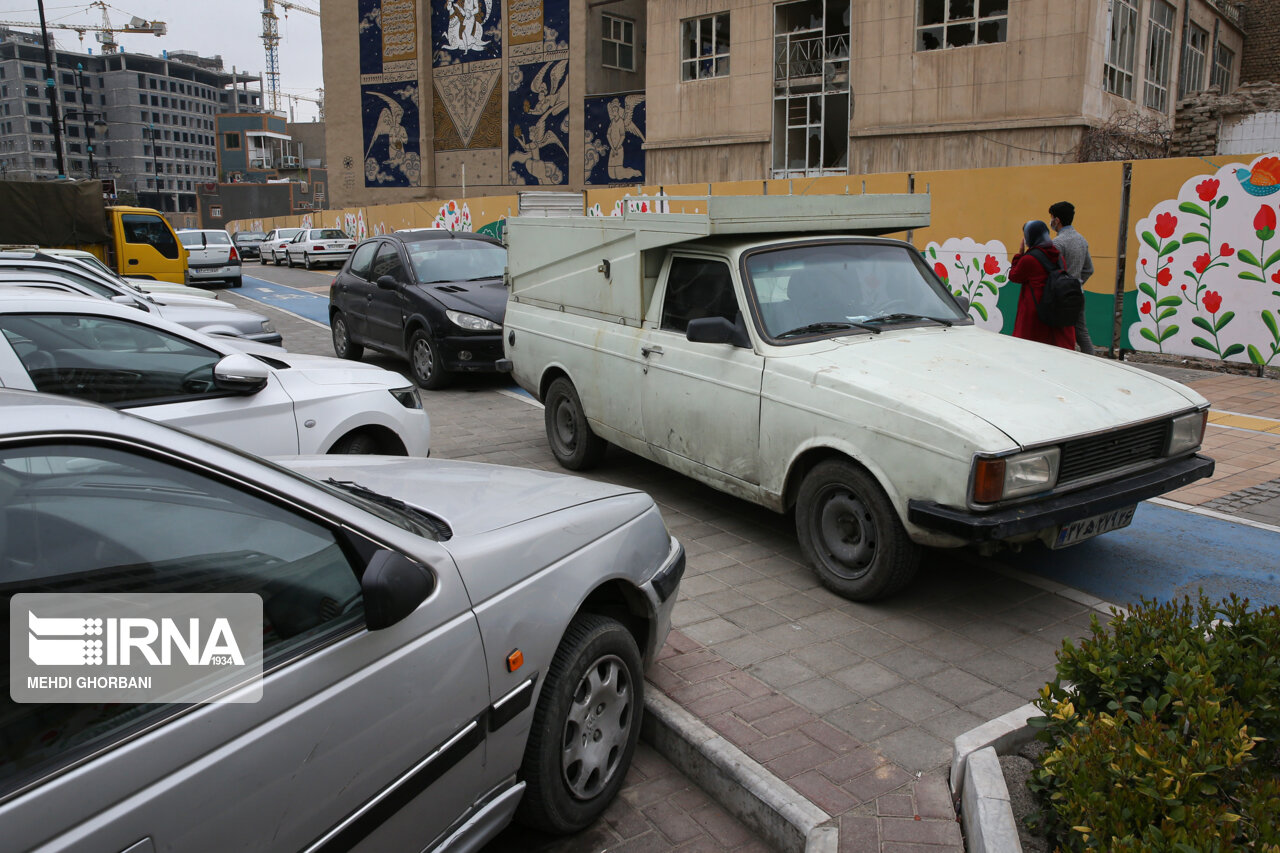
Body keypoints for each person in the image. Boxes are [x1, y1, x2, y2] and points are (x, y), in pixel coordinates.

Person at [1010, 220, 1076, 350]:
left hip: (1034, 315)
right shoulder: (1058, 256)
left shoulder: (1029, 259)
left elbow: (1014, 276)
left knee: (1030, 351)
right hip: (1053, 311)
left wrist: (1019, 254)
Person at [1048, 201, 1095, 354]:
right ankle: (1094, 364)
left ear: (1057, 220)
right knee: (1082, 333)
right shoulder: (1081, 240)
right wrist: (1076, 283)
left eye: (1052, 217)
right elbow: (1089, 269)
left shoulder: (1057, 243)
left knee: (1060, 335)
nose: (1051, 221)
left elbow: (1052, 270)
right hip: (1077, 293)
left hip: (1060, 297)